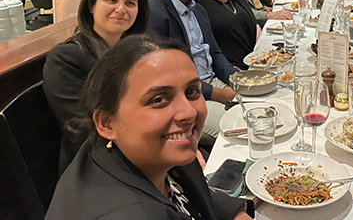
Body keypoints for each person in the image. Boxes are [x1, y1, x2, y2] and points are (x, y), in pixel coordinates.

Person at [45, 35, 253, 220]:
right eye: (159, 99)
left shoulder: (141, 150)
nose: (188, 112)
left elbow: (193, 195)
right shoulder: (129, 212)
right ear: (106, 123)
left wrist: (235, 213)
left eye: (191, 91)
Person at [43, 0, 148, 171]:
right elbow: (81, 126)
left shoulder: (137, 51)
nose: (121, 9)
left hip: (140, 148)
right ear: (91, 5)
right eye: (111, 0)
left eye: (130, 3)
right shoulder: (65, 58)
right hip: (95, 163)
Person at [148, 0, 236, 143]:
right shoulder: (154, 13)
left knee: (260, 112)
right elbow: (164, 75)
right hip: (184, 96)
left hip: (211, 81)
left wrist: (234, 79)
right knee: (238, 130)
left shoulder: (197, 10)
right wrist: (214, 93)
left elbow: (215, 52)